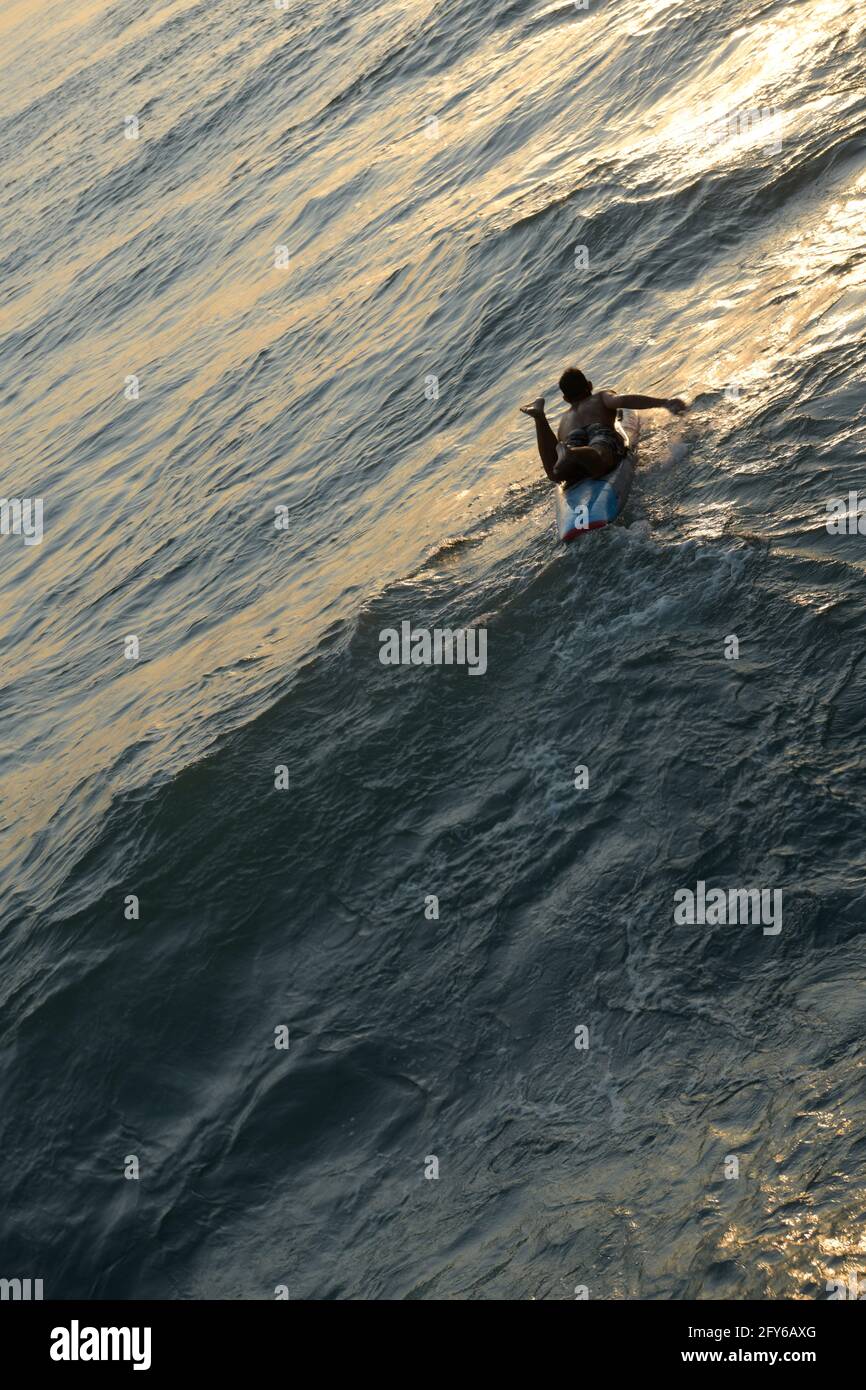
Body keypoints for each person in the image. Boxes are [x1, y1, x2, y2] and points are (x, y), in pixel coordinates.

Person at [520, 367, 688, 485]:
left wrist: (563, 449)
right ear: (590, 385)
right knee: (601, 456)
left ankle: (540, 418)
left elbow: (556, 443)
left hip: (570, 438)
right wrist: (664, 403)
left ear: (566, 399)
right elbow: (621, 401)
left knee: (556, 473)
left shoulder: (565, 419)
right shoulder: (600, 397)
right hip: (598, 431)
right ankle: (572, 453)